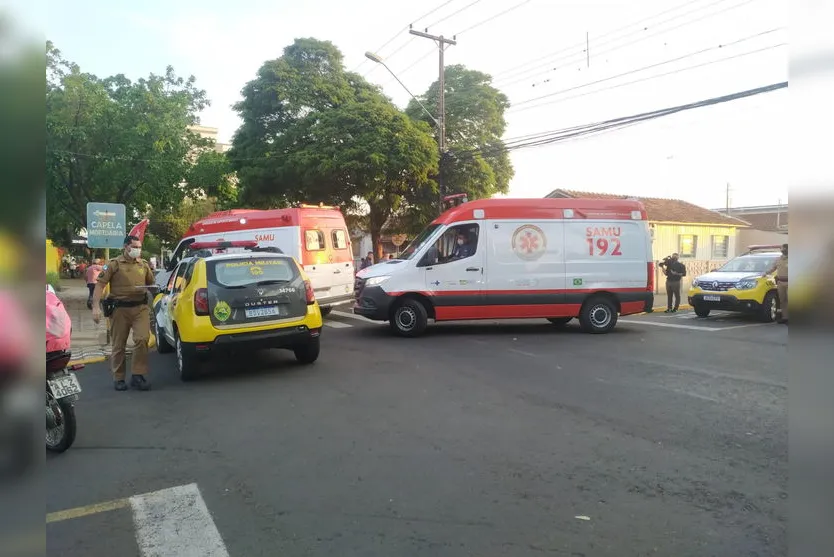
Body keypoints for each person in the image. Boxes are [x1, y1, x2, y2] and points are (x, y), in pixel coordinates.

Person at [92, 235, 156, 391]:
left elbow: (151, 284)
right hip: (119, 309)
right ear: (126, 246)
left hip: (140, 308)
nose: (138, 250)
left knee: (142, 339)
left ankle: (138, 375)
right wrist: (95, 307)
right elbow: (100, 285)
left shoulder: (144, 264)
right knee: (119, 344)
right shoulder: (113, 264)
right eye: (135, 247)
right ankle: (119, 378)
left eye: (139, 247)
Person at [765, 243, 788, 324]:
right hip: (780, 282)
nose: (782, 250)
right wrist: (766, 273)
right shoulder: (778, 259)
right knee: (783, 300)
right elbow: (773, 268)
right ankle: (785, 318)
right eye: (781, 248)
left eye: (783, 248)